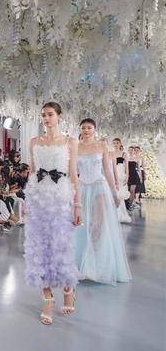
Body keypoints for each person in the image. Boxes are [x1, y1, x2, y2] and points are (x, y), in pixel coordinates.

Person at [24, 102, 80, 326]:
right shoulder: (34, 142)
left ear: (59, 116)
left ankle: (68, 288)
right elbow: (32, 172)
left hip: (60, 198)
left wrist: (78, 205)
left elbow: (74, 174)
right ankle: (47, 298)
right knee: (38, 249)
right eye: (43, 115)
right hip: (38, 197)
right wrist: (27, 200)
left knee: (61, 245)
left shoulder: (70, 142)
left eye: (50, 115)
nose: (46, 119)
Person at [74, 119, 131, 285]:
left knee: (98, 225)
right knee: (82, 224)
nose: (86, 130)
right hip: (82, 188)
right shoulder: (75, 147)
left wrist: (115, 193)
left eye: (89, 127)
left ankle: (96, 266)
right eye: (83, 128)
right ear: (80, 130)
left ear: (94, 130)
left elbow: (107, 170)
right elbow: (73, 172)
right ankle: (83, 265)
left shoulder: (101, 146)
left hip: (99, 187)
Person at [110, 138, 131, 222]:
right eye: (114, 143)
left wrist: (127, 177)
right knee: (113, 193)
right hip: (112, 174)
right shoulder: (111, 153)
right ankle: (113, 214)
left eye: (117, 143)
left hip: (121, 174)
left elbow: (127, 167)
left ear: (120, 144)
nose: (115, 145)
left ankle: (121, 214)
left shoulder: (124, 154)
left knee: (120, 194)